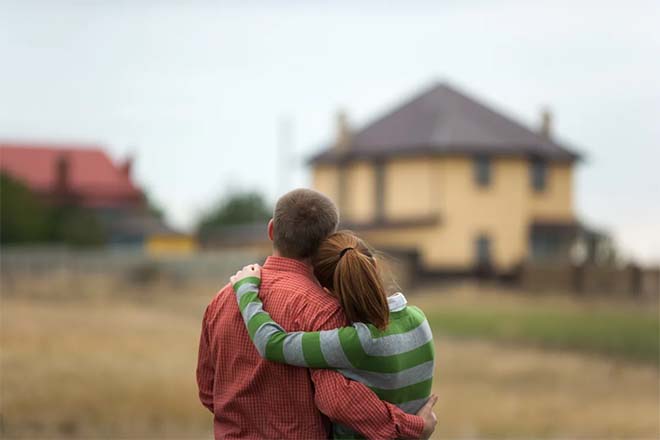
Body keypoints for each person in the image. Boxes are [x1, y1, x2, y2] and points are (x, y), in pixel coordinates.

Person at [196, 188, 437, 439]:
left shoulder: (223, 298)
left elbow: (207, 391)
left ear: (271, 230)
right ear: (329, 243)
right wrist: (412, 425)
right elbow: (337, 401)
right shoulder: (326, 311)